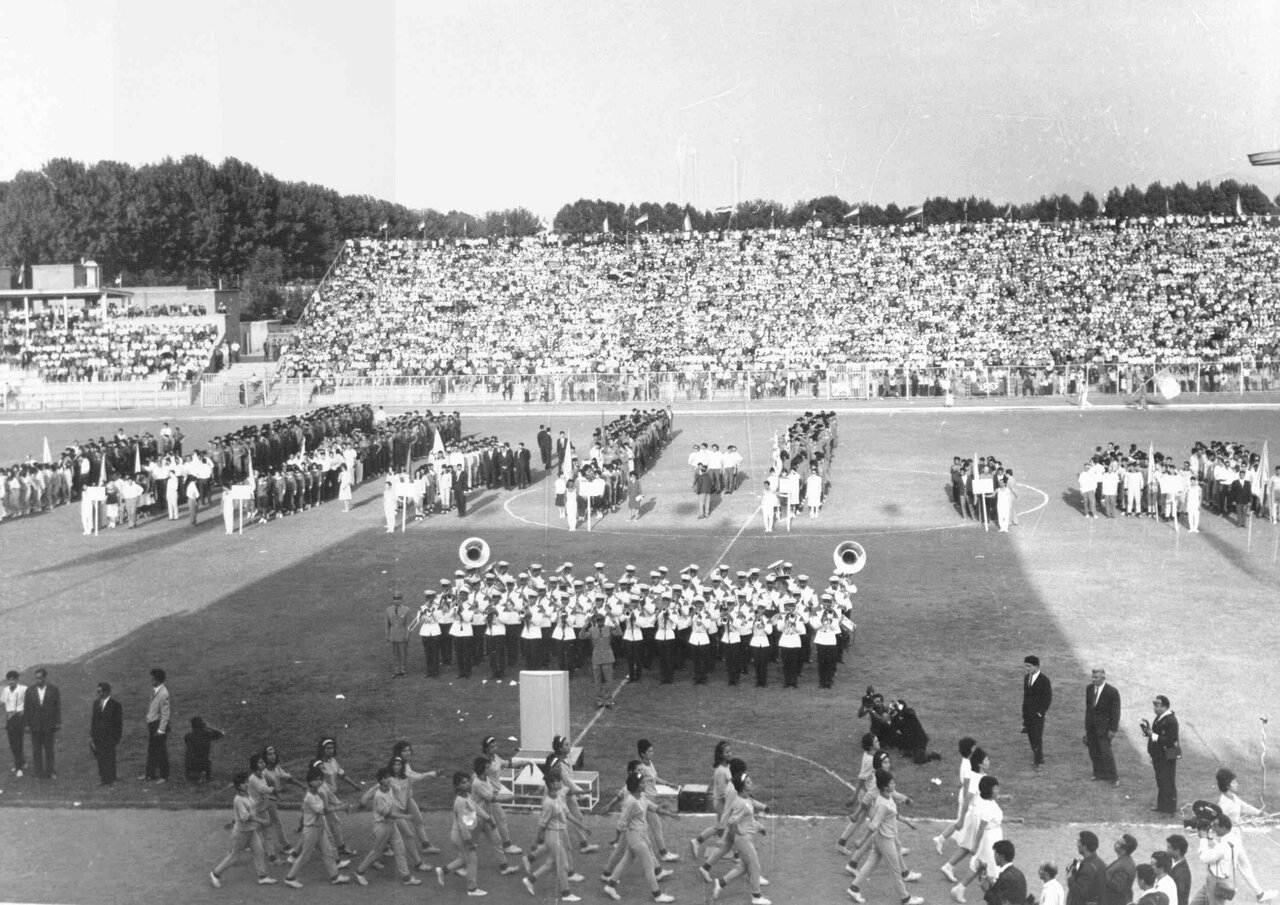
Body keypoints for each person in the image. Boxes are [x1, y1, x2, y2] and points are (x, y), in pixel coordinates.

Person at [845, 769, 922, 905]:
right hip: (885, 840)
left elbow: (893, 814)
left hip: (881, 838)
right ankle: (906, 898)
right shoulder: (882, 804)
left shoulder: (888, 796)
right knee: (896, 870)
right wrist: (862, 840)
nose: (894, 784)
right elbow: (873, 825)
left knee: (870, 864)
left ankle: (854, 888)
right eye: (892, 783)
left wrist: (908, 822)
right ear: (885, 786)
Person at [602, 771, 678, 903]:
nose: (645, 784)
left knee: (627, 860)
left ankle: (610, 886)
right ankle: (657, 894)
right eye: (642, 782)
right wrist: (616, 838)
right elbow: (622, 822)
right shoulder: (631, 802)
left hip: (641, 834)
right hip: (635, 836)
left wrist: (668, 813)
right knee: (649, 865)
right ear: (636, 785)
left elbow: (652, 807)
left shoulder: (641, 796)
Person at [521, 765, 589, 902]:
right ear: (551, 784)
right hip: (554, 836)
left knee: (552, 863)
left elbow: (567, 813)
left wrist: (581, 825)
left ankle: (530, 880)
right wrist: (535, 841)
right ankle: (566, 893)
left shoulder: (558, 796)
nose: (561, 783)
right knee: (562, 865)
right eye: (558, 781)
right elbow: (542, 824)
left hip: (560, 834)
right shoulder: (549, 803)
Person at [1214, 768, 1280, 902]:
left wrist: (1260, 813)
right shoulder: (1224, 804)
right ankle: (1258, 894)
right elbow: (1218, 823)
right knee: (1235, 865)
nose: (1237, 784)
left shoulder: (1232, 797)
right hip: (1230, 839)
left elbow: (1243, 806)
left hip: (1235, 836)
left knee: (1240, 864)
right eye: (1234, 782)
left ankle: (1234, 890)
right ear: (1227, 785)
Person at [354, 767, 423, 887]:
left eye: (389, 777)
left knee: (400, 850)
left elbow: (399, 797)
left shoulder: (389, 789)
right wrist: (407, 817)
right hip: (382, 828)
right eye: (386, 777)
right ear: (380, 780)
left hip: (391, 826)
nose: (389, 779)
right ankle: (359, 872)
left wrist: (397, 789)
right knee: (376, 853)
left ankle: (406, 878)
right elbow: (389, 814)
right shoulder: (379, 796)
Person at [284, 767, 352, 888]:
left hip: (319, 828)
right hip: (312, 830)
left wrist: (333, 802)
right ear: (310, 782)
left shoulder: (318, 793)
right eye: (316, 780)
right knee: (305, 856)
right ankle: (290, 877)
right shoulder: (310, 797)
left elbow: (326, 806)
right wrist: (341, 807)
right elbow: (324, 811)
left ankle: (334, 876)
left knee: (328, 852)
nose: (319, 782)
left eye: (320, 779)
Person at [210, 770, 276, 888]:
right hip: (242, 833)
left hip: (251, 831)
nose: (247, 784)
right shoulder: (238, 800)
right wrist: (262, 821)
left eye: (247, 782)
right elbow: (246, 817)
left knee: (259, 851)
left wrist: (233, 821)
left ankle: (263, 876)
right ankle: (215, 874)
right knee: (234, 857)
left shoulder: (247, 795)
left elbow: (247, 812)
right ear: (238, 786)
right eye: (244, 783)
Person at [1141, 696, 1180, 816]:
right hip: (1161, 753)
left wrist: (1152, 734)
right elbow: (1158, 735)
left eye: (1157, 705)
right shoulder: (1160, 718)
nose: (1154, 707)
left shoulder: (1171, 721)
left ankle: (1170, 809)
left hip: (1168, 754)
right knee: (1161, 780)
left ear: (1164, 706)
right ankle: (1162, 806)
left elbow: (1169, 740)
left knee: (1167, 780)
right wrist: (1149, 733)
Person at [1084, 668, 1120, 786]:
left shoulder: (1112, 692)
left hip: (1104, 729)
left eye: (1096, 677)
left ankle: (1114, 778)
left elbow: (1115, 712)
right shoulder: (1089, 689)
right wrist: (1087, 725)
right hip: (1091, 727)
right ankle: (1099, 773)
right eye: (1093, 677)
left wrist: (1113, 729)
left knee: (1106, 752)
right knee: (1093, 751)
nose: (1093, 679)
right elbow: (1089, 708)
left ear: (1103, 678)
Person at [1192, 814, 1238, 905]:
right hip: (1213, 879)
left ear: (1224, 828)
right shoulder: (1232, 839)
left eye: (1216, 826)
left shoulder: (1223, 846)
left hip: (1217, 883)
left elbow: (1205, 858)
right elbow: (1218, 850)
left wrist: (1203, 839)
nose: (1213, 829)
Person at [24, 667, 60, 780]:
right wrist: (27, 724)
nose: (38, 680)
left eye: (40, 678)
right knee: (36, 750)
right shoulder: (29, 691)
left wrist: (58, 722)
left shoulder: (53, 689)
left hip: (48, 725)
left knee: (49, 750)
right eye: (36, 678)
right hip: (35, 726)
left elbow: (57, 707)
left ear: (45, 677)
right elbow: (27, 708)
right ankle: (39, 773)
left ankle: (50, 772)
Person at [90, 682, 123, 786]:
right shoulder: (96, 703)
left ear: (106, 692)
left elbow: (118, 724)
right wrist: (92, 736)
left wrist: (116, 738)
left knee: (110, 758)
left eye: (100, 691)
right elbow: (94, 720)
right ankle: (103, 780)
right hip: (98, 737)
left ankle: (111, 779)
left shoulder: (115, 705)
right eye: (98, 691)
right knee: (100, 759)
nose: (98, 693)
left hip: (109, 738)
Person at [1022, 656, 1052, 769]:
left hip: (1037, 715)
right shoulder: (1026, 678)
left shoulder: (1044, 680)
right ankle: (1038, 757)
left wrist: (1040, 713)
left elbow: (1047, 698)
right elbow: (1026, 697)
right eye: (1026, 666)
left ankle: (1038, 762)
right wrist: (1024, 713)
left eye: (1029, 666)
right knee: (1031, 736)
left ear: (1037, 666)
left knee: (1037, 737)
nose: (1027, 668)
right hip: (1028, 714)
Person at [143, 667, 171, 783]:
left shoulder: (163, 693)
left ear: (158, 680)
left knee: (161, 751)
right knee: (152, 750)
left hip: (158, 725)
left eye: (152, 679)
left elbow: (165, 714)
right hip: (153, 723)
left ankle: (164, 776)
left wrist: (161, 730)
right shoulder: (155, 690)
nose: (151, 681)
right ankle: (150, 774)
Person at [979, 840, 1026, 905]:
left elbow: (998, 902)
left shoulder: (1005, 877)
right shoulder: (1019, 873)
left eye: (995, 854)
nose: (994, 856)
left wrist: (986, 890)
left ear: (1001, 856)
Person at [1066, 831, 1107, 905]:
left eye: (1079, 842)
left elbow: (1080, 893)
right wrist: (1076, 866)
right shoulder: (1100, 862)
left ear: (1085, 847)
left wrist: (1069, 878)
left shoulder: (1087, 867)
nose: (1077, 844)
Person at [184, 716, 225, 784]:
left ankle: (190, 774)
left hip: (189, 764)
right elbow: (222, 733)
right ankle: (205, 776)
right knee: (207, 762)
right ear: (203, 725)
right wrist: (209, 727)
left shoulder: (187, 736)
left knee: (191, 756)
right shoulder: (208, 735)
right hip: (202, 763)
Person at [2, 669, 26, 778]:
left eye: (13, 680)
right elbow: (2, 702)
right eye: (9, 680)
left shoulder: (23, 689)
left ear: (17, 680)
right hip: (10, 718)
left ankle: (19, 767)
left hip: (19, 718)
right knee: (12, 743)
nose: (11, 682)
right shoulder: (6, 690)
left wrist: (23, 711)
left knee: (18, 742)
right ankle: (22, 762)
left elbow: (29, 703)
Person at [1103, 834, 1139, 905]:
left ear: (1124, 847)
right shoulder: (1124, 860)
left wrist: (1102, 871)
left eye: (1118, 842)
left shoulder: (1124, 865)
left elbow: (1117, 886)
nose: (1115, 843)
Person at [386, 592, 411, 678]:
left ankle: (404, 670)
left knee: (403, 653)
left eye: (398, 599)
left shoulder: (406, 609)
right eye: (395, 599)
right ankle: (396, 670)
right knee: (395, 654)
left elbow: (408, 624)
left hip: (402, 634)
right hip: (393, 635)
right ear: (393, 600)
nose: (397, 601)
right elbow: (387, 624)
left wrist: (407, 635)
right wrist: (388, 635)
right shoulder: (388, 609)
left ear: (401, 600)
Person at [1166, 835, 1193, 905]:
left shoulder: (1182, 872)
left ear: (1177, 851)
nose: (1166, 850)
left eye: (1169, 848)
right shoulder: (1175, 864)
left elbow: (1180, 898)